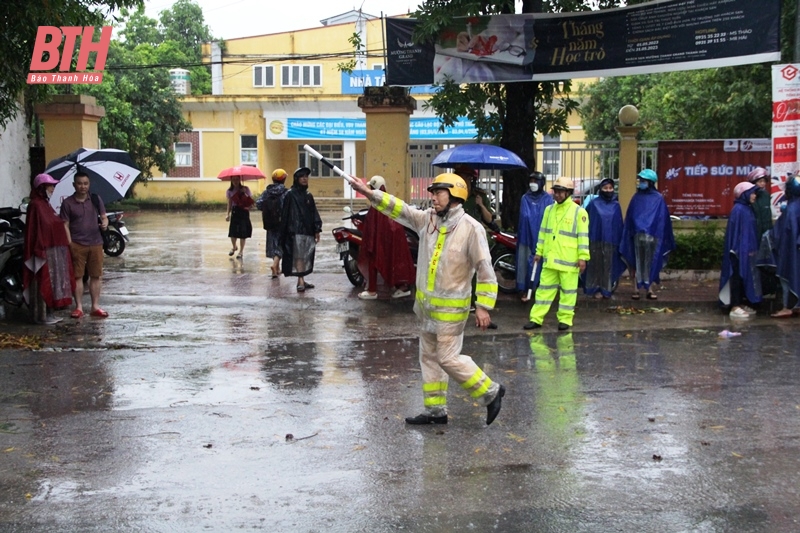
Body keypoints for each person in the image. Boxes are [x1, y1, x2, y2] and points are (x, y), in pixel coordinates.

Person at [348, 172, 505, 426]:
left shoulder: (471, 228)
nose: (432, 197)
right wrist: (368, 193)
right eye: (432, 192)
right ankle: (435, 411)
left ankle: (490, 391)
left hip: (451, 313)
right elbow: (398, 208)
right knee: (429, 360)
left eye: (438, 192)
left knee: (448, 359)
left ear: (454, 195)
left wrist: (484, 306)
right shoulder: (427, 221)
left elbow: (485, 269)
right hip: (427, 310)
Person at [523, 177, 589, 331]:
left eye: (561, 192)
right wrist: (538, 252)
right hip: (550, 260)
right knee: (543, 292)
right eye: (556, 191)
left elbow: (583, 237)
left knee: (568, 292)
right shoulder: (549, 210)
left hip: (569, 261)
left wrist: (583, 258)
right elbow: (543, 233)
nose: (557, 195)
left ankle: (565, 320)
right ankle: (536, 319)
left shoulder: (579, 212)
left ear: (569, 193)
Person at [22, 173, 75, 324]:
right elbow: (36, 230)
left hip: (55, 250)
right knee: (43, 282)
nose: (52, 189)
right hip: (43, 251)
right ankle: (41, 316)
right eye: (50, 186)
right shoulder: (36, 205)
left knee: (53, 283)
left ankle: (49, 312)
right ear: (42, 187)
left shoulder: (45, 204)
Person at [620, 169, 675, 300]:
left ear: (650, 182)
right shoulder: (636, 197)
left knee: (652, 262)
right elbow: (631, 217)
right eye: (641, 181)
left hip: (653, 237)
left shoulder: (658, 199)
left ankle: (650, 289)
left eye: (644, 181)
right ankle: (636, 288)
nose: (641, 183)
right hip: (638, 236)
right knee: (636, 262)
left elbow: (662, 218)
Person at [60, 171, 109, 318]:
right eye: (80, 183)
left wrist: (105, 225)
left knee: (96, 275)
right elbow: (65, 224)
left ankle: (95, 306)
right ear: (74, 185)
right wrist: (69, 243)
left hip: (96, 243)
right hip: (77, 243)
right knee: (77, 276)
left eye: (85, 183)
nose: (83, 186)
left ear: (89, 184)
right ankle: (79, 307)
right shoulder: (67, 203)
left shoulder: (95, 199)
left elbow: (104, 217)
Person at [356, 175, 414, 300]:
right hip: (392, 239)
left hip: (381, 241)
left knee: (375, 262)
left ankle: (372, 290)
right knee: (395, 261)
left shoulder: (377, 204)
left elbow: (373, 227)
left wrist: (371, 243)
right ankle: (401, 287)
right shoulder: (388, 200)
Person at [719, 182, 762, 318]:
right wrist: (739, 251)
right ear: (744, 194)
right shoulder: (739, 210)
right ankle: (735, 306)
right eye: (752, 193)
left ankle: (740, 304)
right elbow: (737, 234)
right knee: (736, 277)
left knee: (745, 277)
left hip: (747, 252)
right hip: (738, 253)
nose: (754, 196)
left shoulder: (747, 209)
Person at [279, 167, 322, 292]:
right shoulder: (290, 195)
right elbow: (285, 214)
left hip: (307, 231)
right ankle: (301, 281)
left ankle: (301, 279)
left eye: (306, 176)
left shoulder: (308, 195)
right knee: (298, 256)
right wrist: (285, 232)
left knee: (304, 256)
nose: (304, 178)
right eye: (302, 176)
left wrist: (317, 229)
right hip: (295, 232)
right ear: (296, 179)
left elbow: (314, 213)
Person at [581, 178, 625, 299]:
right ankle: (594, 289)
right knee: (595, 266)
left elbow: (618, 224)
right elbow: (585, 220)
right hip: (595, 240)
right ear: (600, 189)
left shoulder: (616, 205)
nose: (608, 190)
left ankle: (607, 290)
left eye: (610, 188)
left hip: (611, 242)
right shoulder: (594, 204)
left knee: (608, 267)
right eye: (605, 188)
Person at [516, 171, 553, 302]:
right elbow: (524, 218)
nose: (533, 184)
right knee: (524, 263)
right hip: (526, 236)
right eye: (531, 181)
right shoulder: (525, 198)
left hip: (542, 238)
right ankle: (523, 288)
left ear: (542, 183)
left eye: (535, 181)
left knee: (540, 266)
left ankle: (538, 289)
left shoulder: (548, 199)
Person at [768, 175, 800, 318]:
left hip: (790, 249)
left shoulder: (791, 208)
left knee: (788, 276)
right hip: (795, 247)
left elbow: (782, 232)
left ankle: (788, 306)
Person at [256, 168, 288, 278]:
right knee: (282, 244)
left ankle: (277, 269)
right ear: (284, 179)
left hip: (270, 222)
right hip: (282, 223)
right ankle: (275, 265)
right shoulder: (286, 192)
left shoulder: (267, 192)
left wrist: (268, 210)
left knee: (273, 244)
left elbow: (258, 204)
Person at [455, 164, 496, 229]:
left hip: (475, 233)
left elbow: (489, 219)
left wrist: (481, 205)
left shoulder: (480, 195)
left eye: (462, 177)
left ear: (470, 178)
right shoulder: (453, 195)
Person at [225, 175, 254, 260]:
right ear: (231, 180)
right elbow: (229, 203)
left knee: (243, 233)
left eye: (237, 179)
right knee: (233, 232)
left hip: (244, 212)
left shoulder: (246, 189)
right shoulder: (229, 191)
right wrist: (227, 214)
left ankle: (241, 252)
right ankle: (234, 247)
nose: (235, 181)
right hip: (235, 211)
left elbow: (250, 201)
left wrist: (244, 193)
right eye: (233, 179)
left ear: (240, 180)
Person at [747, 167, 773, 238]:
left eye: (764, 181)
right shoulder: (749, 196)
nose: (763, 183)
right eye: (760, 181)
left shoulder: (766, 195)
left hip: (766, 231)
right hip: (753, 231)